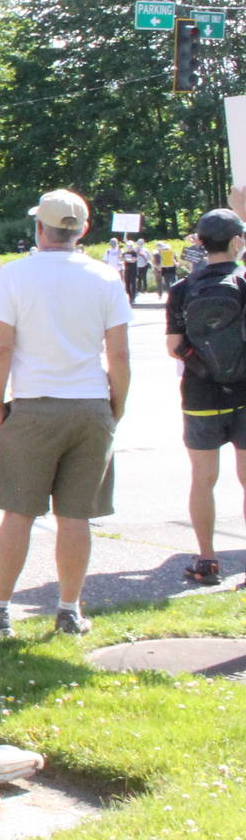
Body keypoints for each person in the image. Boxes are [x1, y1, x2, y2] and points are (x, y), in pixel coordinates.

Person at [0, 190, 131, 638]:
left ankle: (0, 609)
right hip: (89, 404)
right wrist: (116, 404)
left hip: (33, 404)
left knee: (18, 513)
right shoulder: (105, 276)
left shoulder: (15, 275)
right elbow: (118, 355)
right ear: (82, 229)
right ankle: (68, 609)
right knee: (76, 515)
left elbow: (1, 347)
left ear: (40, 228)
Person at [165, 201, 246, 585]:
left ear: (199, 242)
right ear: (236, 242)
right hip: (245, 393)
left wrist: (206, 368)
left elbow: (174, 345)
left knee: (203, 479)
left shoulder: (183, 288)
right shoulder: (244, 281)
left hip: (200, 395)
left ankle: (208, 561)